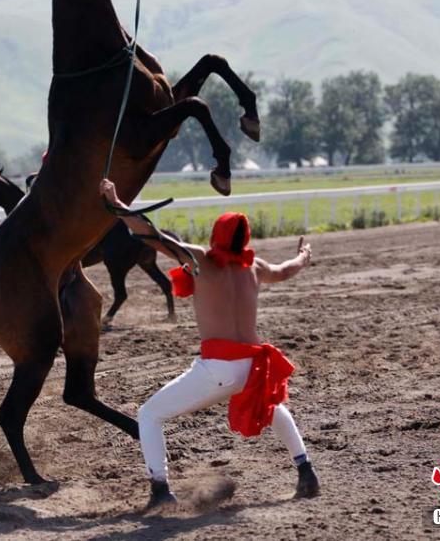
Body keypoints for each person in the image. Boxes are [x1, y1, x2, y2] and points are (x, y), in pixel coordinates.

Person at [99, 179, 320, 509]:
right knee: (273, 407)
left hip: (218, 368)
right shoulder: (255, 267)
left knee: (149, 415)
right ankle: (306, 472)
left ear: (216, 235)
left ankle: (160, 490)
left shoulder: (201, 259)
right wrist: (303, 255)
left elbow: (152, 236)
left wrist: (117, 203)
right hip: (253, 364)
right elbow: (286, 270)